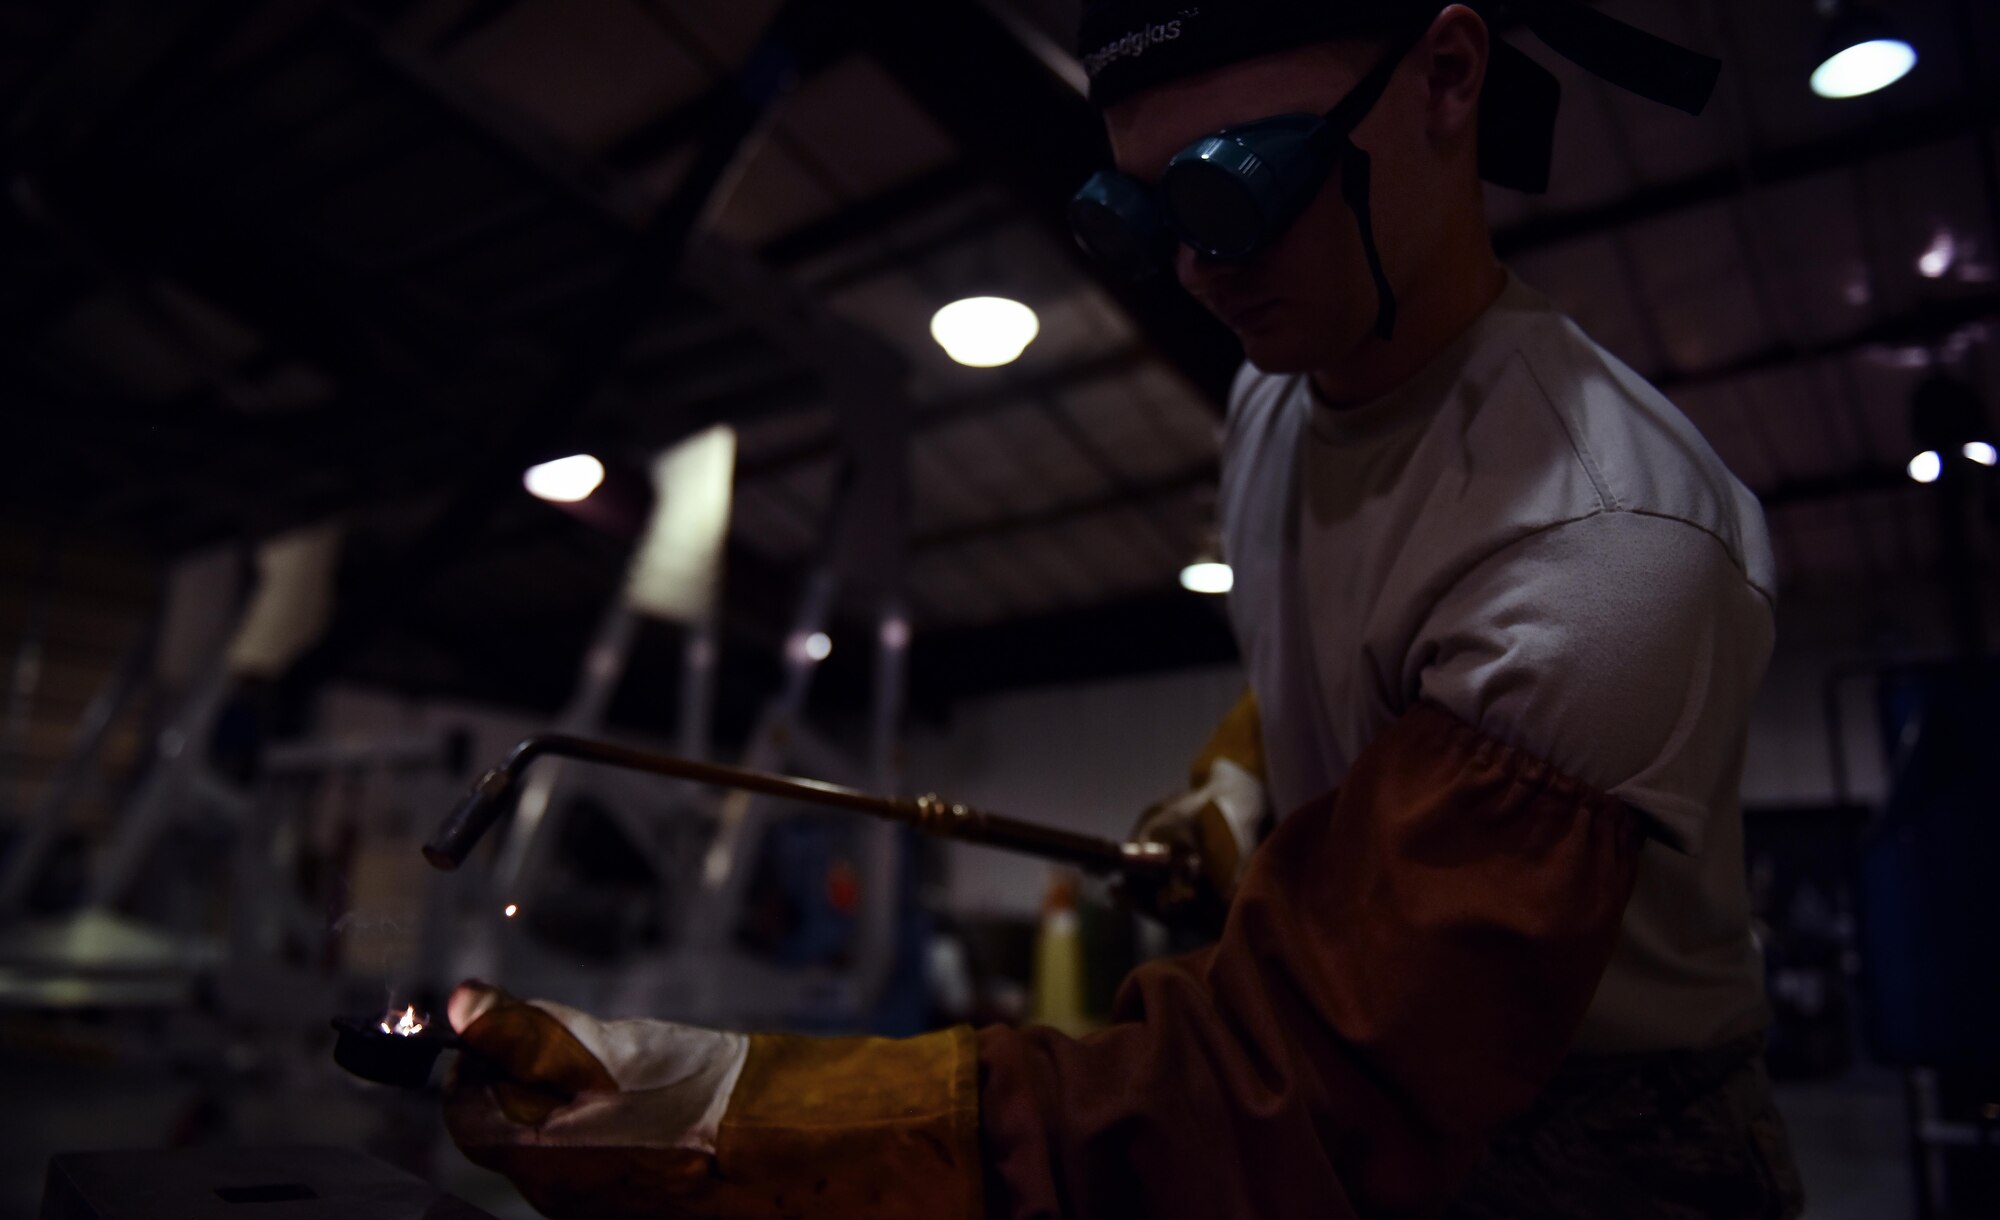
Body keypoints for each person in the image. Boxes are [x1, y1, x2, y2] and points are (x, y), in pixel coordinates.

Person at [440, 3, 1805, 1217]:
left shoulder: (1603, 540)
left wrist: (738, 1115)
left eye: (1238, 187)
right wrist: (1230, 792)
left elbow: (1285, 1089)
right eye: (1141, 214)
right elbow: (1328, 663)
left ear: (1447, 77)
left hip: (1595, 1152)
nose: (1197, 272)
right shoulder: (1275, 398)